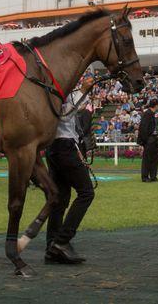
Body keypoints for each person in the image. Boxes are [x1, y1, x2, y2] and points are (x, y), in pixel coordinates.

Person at [46, 77, 95, 265]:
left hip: (58, 146)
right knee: (86, 193)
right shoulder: (57, 88)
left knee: (60, 199)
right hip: (63, 145)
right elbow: (64, 115)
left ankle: (52, 247)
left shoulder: (57, 88)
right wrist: (82, 91)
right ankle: (61, 241)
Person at [136, 98, 158, 182]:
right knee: (147, 159)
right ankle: (145, 176)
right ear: (156, 105)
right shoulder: (147, 114)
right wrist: (145, 141)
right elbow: (143, 129)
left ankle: (153, 176)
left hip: (154, 138)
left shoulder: (151, 114)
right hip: (149, 139)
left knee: (154, 158)